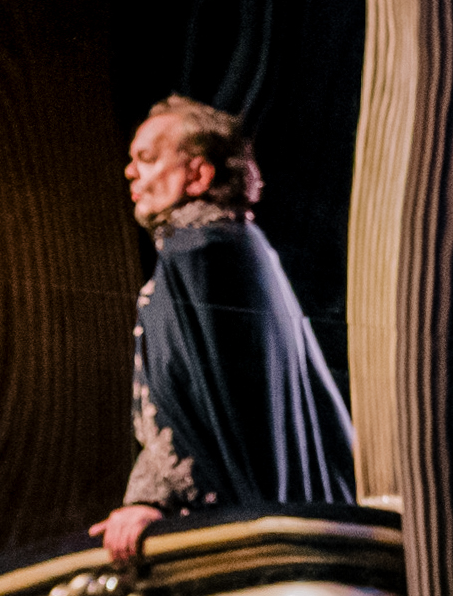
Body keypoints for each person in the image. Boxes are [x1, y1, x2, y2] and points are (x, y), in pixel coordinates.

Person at [90, 97, 356, 563]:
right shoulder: (236, 247)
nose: (130, 172)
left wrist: (152, 502)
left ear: (198, 175)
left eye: (148, 159)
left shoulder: (201, 254)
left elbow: (189, 400)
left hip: (244, 535)